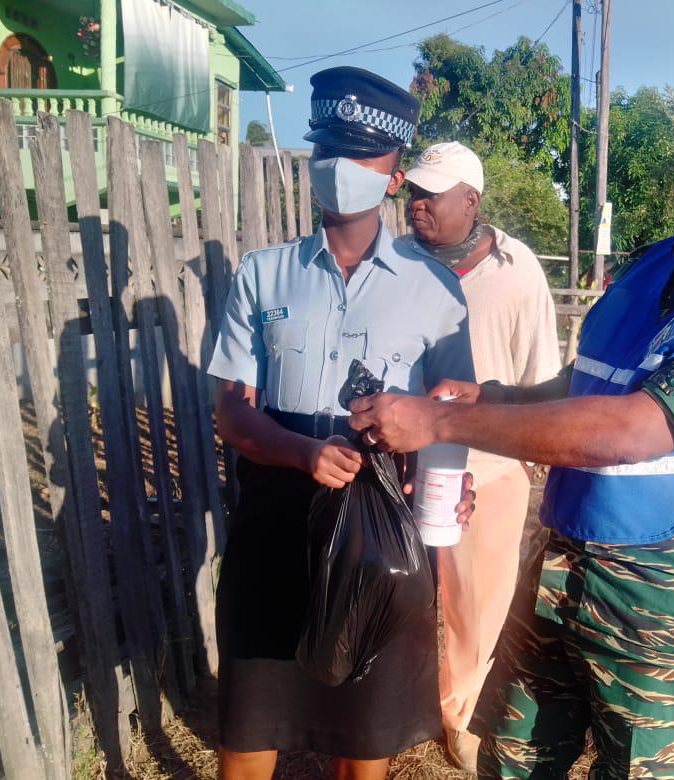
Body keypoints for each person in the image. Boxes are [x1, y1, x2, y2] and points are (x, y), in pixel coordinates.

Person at [349, 76, 674, 778]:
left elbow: (634, 428)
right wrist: (491, 395)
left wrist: (439, 420)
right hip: (559, 572)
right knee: (513, 762)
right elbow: (587, 386)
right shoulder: (653, 267)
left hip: (667, 609)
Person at [207, 66, 476, 780]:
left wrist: (445, 479)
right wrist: (299, 453)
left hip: (376, 539)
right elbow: (231, 410)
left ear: (394, 177)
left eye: (360, 156)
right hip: (275, 526)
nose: (337, 169)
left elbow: (455, 408)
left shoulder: (436, 290)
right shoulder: (262, 276)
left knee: (364, 745)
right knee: (249, 732)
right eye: (326, 149)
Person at [397, 141, 561, 772]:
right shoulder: (395, 264)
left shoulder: (518, 272)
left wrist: (526, 455)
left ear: (471, 199)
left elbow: (540, 379)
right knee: (402, 591)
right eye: (414, 191)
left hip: (489, 472)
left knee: (477, 603)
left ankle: (457, 714)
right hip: (403, 464)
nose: (418, 204)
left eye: (433, 193)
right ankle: (395, 702)